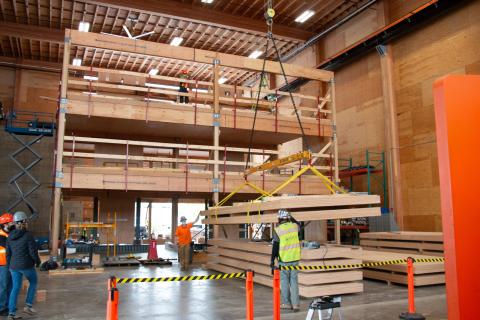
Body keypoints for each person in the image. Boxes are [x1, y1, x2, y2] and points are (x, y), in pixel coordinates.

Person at [6, 211, 41, 320]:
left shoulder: (10, 236)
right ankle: (28, 306)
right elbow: (33, 252)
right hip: (26, 265)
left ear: (15, 223)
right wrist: (38, 262)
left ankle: (11, 313)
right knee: (33, 282)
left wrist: (9, 265)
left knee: (15, 288)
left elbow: (8, 253)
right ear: (25, 222)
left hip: (13, 266)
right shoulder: (28, 235)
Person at [271, 209, 301, 312]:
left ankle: (287, 303)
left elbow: (275, 247)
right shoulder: (294, 226)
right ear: (288, 218)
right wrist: (291, 217)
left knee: (284, 282)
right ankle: (296, 304)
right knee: (294, 281)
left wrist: (272, 261)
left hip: (284, 260)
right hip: (295, 258)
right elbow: (298, 223)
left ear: (279, 218)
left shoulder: (278, 230)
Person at [0, 213, 14, 316]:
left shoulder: (10, 234)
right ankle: (1, 307)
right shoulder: (1, 236)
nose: (13, 224)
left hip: (11, 263)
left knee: (11, 285)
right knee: (3, 286)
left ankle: (9, 305)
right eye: (11, 223)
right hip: (2, 264)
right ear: (5, 224)